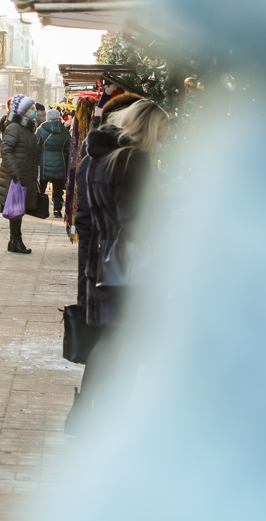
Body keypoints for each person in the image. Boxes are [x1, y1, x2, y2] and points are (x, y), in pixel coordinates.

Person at [67, 100, 169, 434]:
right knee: (124, 339)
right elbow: (137, 220)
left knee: (110, 336)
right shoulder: (132, 160)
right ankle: (112, 413)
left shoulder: (97, 158)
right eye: (161, 134)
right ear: (148, 129)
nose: (162, 142)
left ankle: (86, 413)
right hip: (132, 264)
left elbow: (88, 216)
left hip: (103, 259)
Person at [0, 95, 39, 254]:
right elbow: (6, 150)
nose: (34, 112)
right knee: (15, 208)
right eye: (31, 109)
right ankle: (16, 241)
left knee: (18, 208)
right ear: (23, 111)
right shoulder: (15, 127)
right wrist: (15, 172)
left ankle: (14, 241)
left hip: (22, 173)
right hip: (16, 175)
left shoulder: (26, 127)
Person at [36, 106, 72, 218]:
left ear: (47, 117)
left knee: (41, 187)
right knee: (57, 189)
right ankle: (57, 210)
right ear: (58, 118)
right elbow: (68, 149)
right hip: (60, 163)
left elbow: (36, 147)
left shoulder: (41, 130)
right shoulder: (64, 131)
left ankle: (39, 208)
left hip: (43, 163)